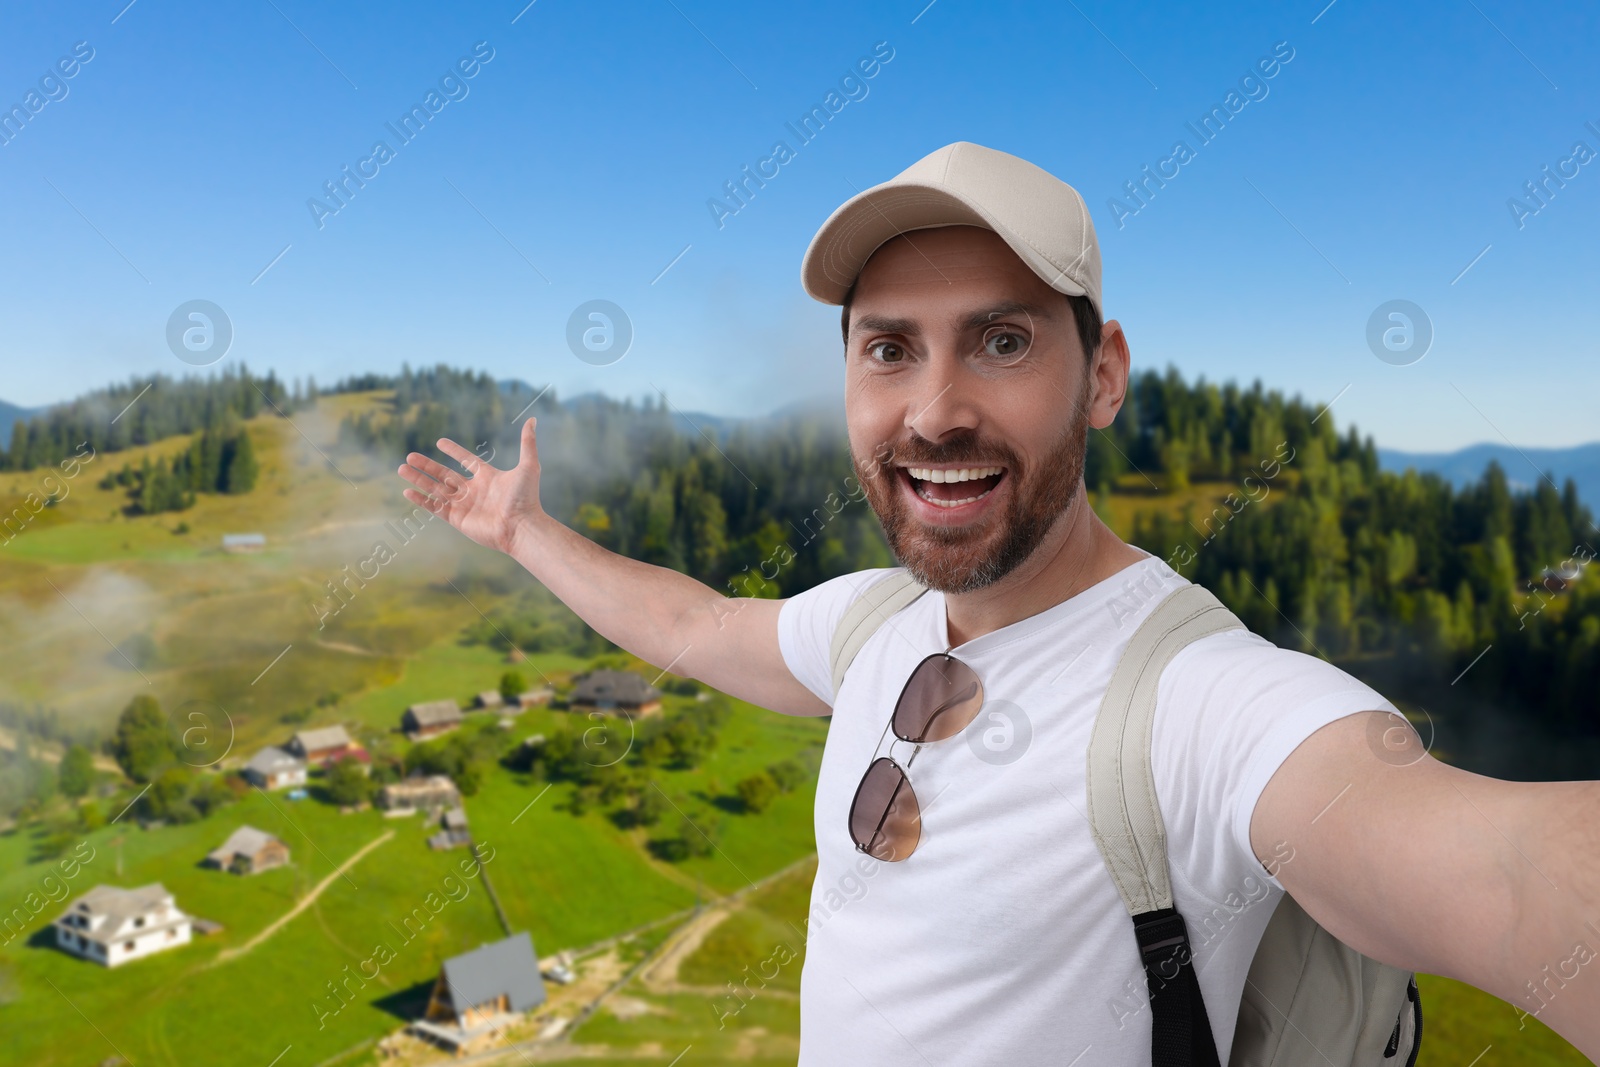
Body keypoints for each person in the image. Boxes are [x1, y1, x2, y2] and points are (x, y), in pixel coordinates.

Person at [397, 141, 1600, 1065]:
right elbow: (696, 625)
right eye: (887, 349)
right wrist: (524, 531)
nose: (932, 411)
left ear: (1104, 374)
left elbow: (1513, 878)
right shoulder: (873, 621)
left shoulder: (1201, 702)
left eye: (1003, 340)